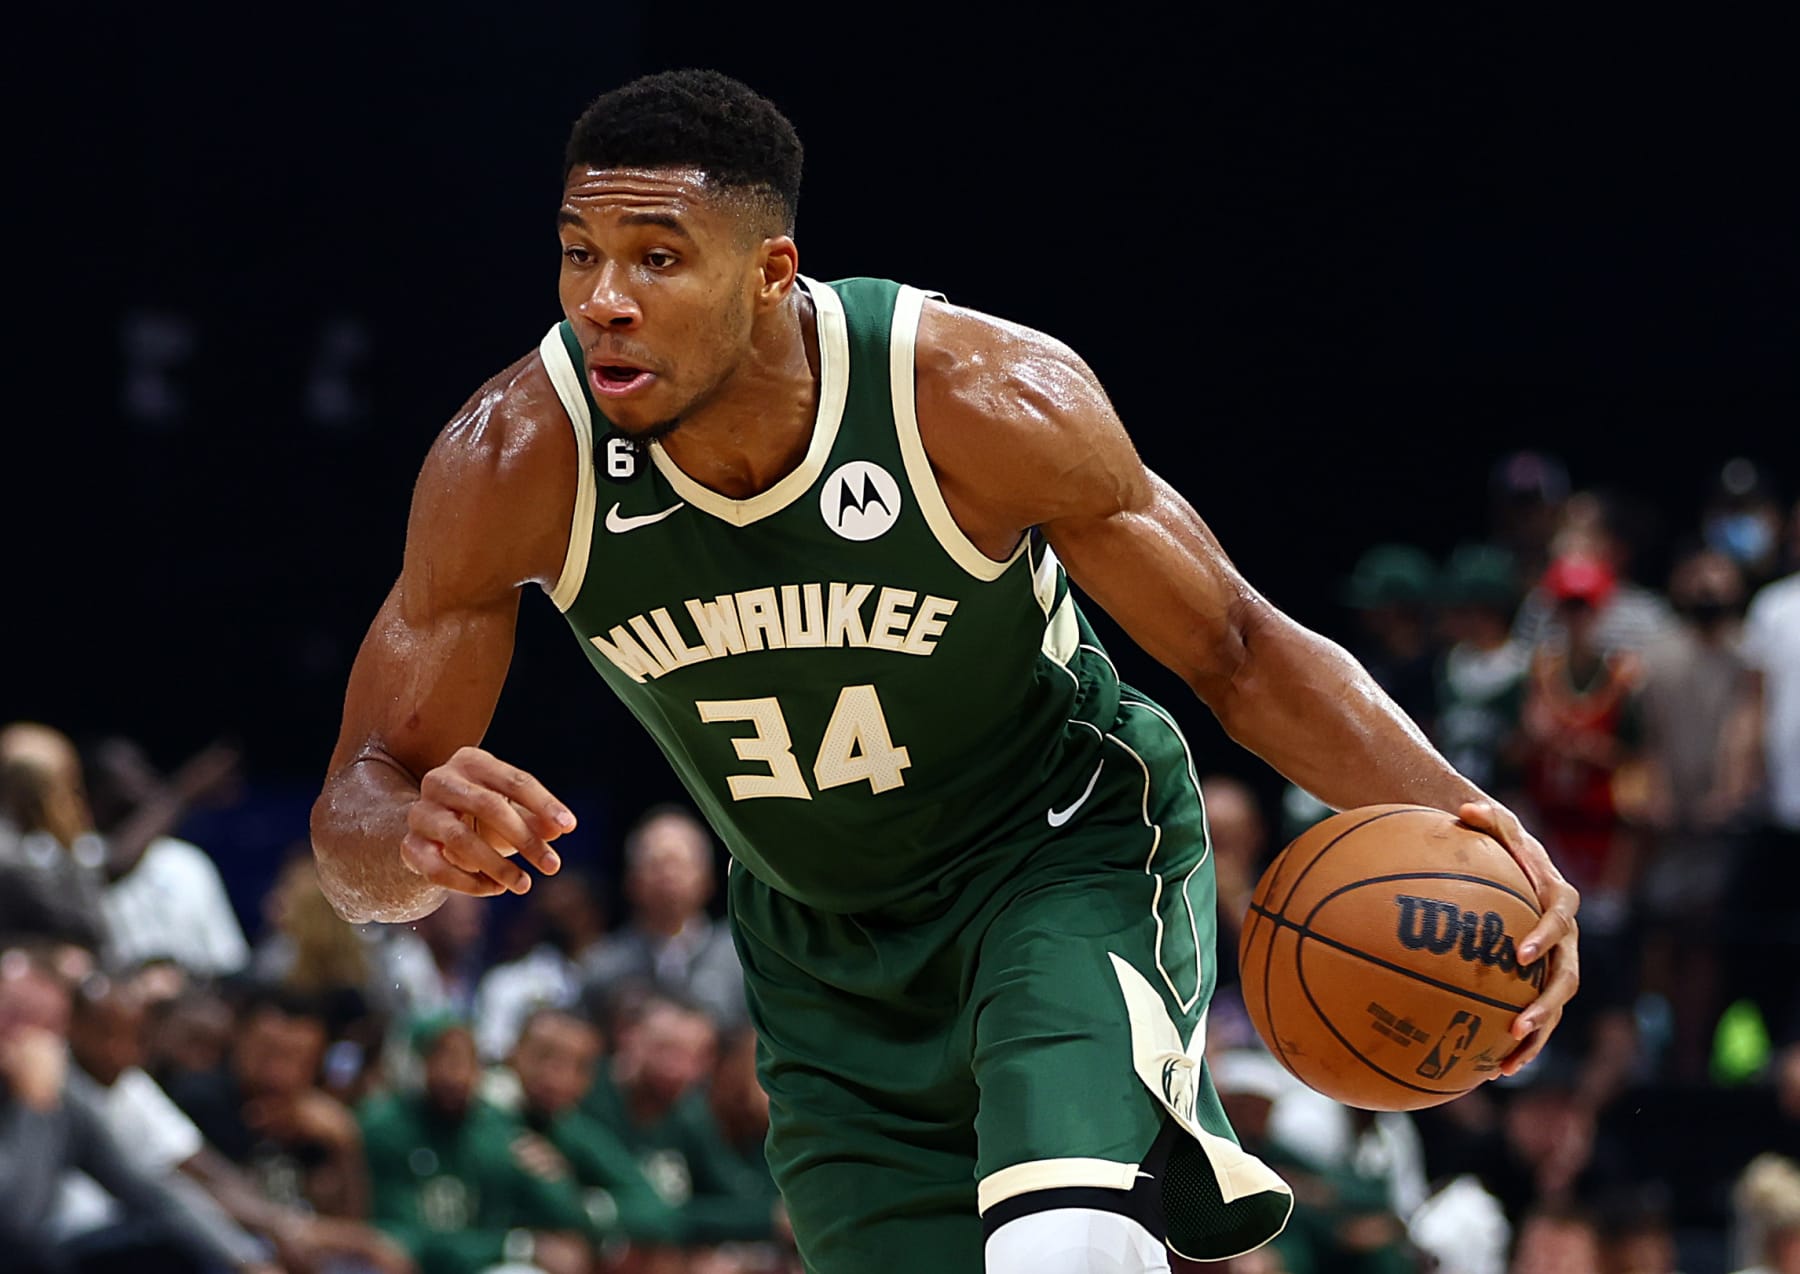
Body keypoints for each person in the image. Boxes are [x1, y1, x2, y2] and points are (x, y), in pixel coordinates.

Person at [308, 69, 1579, 1273]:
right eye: (580, 251)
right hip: (820, 943)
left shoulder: (969, 396)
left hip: (1056, 859)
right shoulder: (511, 459)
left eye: (656, 257)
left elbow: (1237, 649)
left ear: (770, 274)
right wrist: (412, 837)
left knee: (1059, 1246)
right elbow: (355, 826)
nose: (602, 299)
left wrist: (1481, 828)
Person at [358, 1014, 589, 1274]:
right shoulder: (384, 1128)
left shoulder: (492, 1125)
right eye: (442, 1057)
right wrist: (516, 1246)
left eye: (466, 1060)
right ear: (414, 1064)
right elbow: (403, 1241)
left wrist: (558, 1177)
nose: (455, 1073)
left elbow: (569, 1215)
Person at [582, 806, 744, 1031]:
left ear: (708, 879)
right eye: (656, 865)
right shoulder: (603, 963)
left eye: (680, 863)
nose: (668, 875)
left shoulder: (741, 956)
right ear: (632, 881)